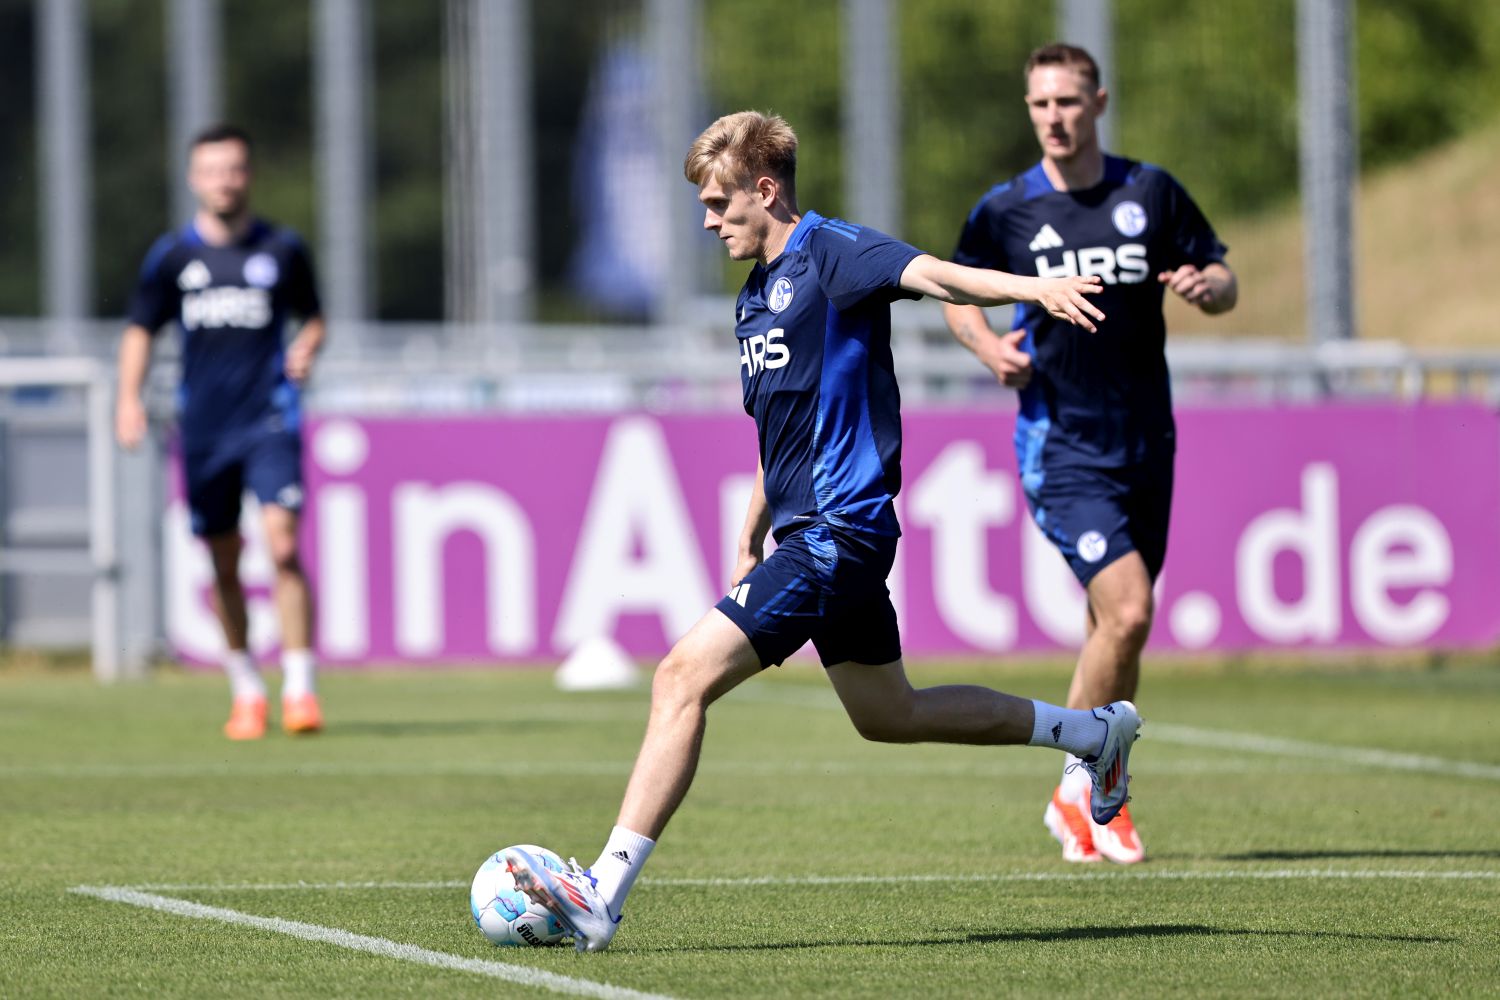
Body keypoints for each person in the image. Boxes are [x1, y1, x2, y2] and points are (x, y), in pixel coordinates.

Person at [504, 110, 1141, 953]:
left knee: (679, 677)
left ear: (765, 190)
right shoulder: (751, 301)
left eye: (718, 200)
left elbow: (935, 274)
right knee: (891, 713)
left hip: (840, 531)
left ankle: (601, 894)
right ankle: (1097, 734)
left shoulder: (832, 252)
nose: (707, 218)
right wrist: (749, 530)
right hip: (807, 530)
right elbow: (785, 432)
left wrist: (1033, 289)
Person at [941, 44, 1237, 865]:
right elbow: (954, 293)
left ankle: (1099, 798)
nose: (1054, 118)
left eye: (1068, 102)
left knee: (1117, 628)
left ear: (1098, 101)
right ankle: (1079, 791)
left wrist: (1210, 289)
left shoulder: (1150, 192)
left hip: (1148, 440)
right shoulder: (1006, 211)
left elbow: (1221, 275)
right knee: (1132, 608)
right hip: (1062, 443)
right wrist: (989, 350)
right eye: (1040, 105)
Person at [115, 123, 327, 741]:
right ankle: (244, 688)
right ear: (193, 179)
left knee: (284, 547)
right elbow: (139, 330)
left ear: (249, 175)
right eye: (212, 170)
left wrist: (308, 346)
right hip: (205, 429)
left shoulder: (283, 251)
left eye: (234, 169)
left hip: (269, 420)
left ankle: (300, 688)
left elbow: (313, 317)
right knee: (224, 560)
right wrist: (127, 398)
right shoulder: (173, 257)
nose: (224, 181)